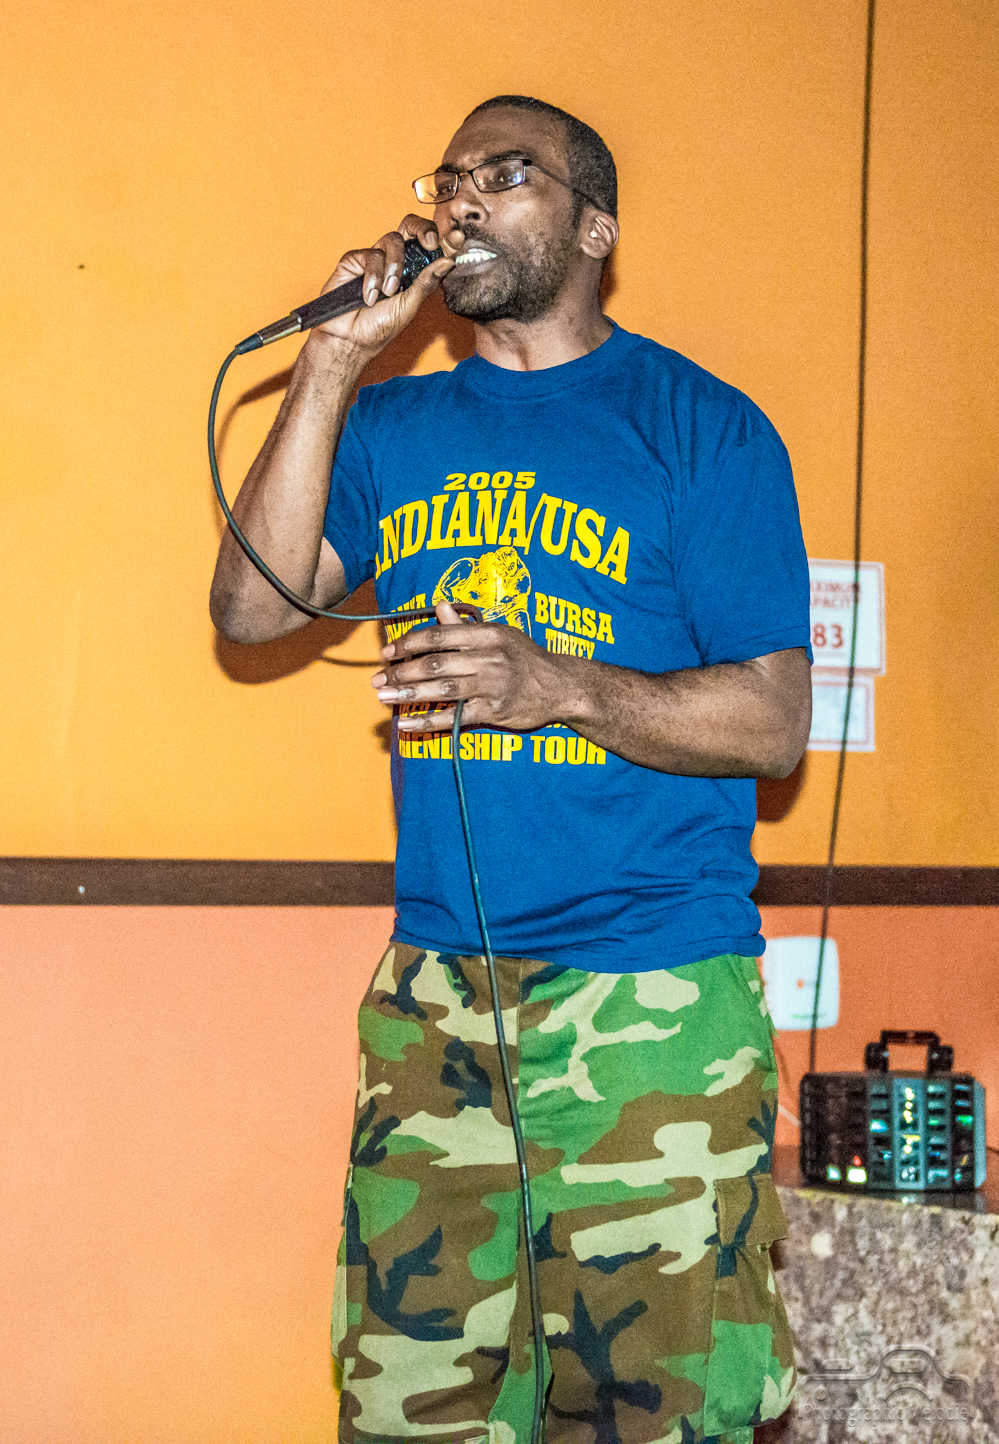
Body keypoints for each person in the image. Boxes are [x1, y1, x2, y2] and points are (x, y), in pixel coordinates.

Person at [211, 95, 811, 1444]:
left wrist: (557, 687)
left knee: (650, 1413)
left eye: (507, 173)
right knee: (409, 1406)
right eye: (449, 180)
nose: (461, 201)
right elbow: (251, 609)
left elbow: (775, 724)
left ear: (595, 229)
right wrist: (331, 362)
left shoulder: (702, 428)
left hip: (653, 994)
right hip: (436, 998)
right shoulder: (391, 427)